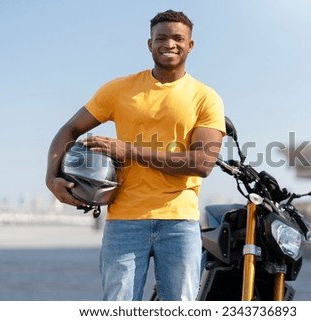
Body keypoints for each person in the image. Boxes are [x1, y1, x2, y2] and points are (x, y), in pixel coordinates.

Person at [45, 9, 225, 301]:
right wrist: (51, 178)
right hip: (124, 220)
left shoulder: (205, 97)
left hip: (179, 221)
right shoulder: (119, 89)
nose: (170, 44)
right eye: (161, 38)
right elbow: (69, 129)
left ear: (190, 45)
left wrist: (127, 150)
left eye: (178, 38)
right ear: (150, 44)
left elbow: (202, 163)